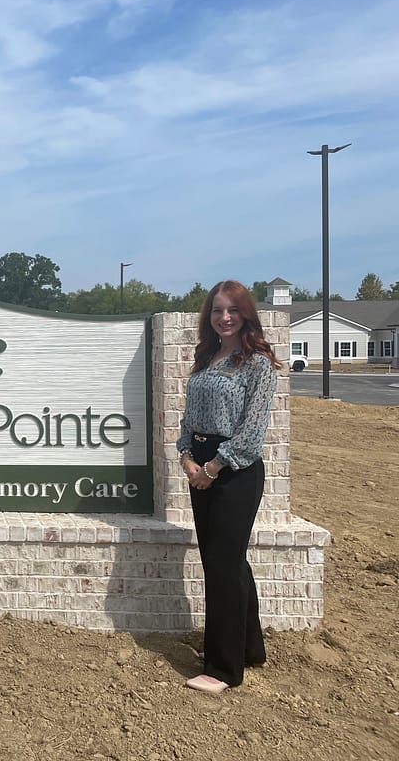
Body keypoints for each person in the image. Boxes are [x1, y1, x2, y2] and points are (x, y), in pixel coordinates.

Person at [176, 279, 282, 694]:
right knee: (228, 562)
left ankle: (222, 668)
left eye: (232, 311)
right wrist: (186, 458)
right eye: (217, 310)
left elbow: (252, 432)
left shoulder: (255, 364)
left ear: (245, 315)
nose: (224, 318)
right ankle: (249, 648)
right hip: (199, 467)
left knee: (222, 565)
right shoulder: (206, 358)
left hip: (235, 472)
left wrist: (214, 467)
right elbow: (189, 419)